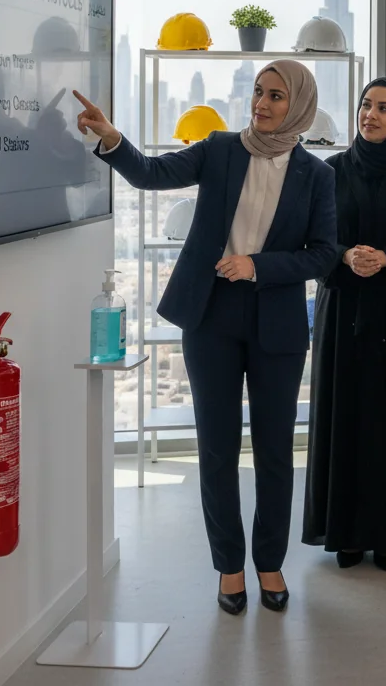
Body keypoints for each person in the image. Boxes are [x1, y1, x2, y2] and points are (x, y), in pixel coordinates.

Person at [73, 61, 336, 616]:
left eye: (276, 96)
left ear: (301, 107)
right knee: (216, 450)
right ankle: (228, 568)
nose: (261, 103)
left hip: (277, 323)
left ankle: (270, 562)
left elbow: (324, 254)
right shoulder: (220, 149)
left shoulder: (318, 175)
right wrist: (111, 138)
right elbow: (149, 173)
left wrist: (258, 266)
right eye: (259, 93)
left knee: (273, 452)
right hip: (211, 317)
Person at [303, 77, 386, 571]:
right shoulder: (330, 171)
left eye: (384, 107)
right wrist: (345, 256)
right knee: (345, 419)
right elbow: (311, 243)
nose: (371, 115)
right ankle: (345, 534)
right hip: (343, 312)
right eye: (365, 105)